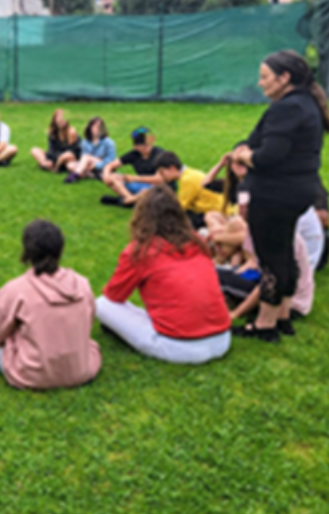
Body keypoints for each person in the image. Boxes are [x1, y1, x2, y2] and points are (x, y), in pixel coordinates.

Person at [229, 51, 329, 343]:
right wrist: (242, 150)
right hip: (297, 193)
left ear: (284, 78)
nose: (260, 83)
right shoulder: (303, 104)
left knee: (270, 259)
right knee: (284, 253)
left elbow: (267, 156)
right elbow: (254, 141)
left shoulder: (287, 108)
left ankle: (264, 325)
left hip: (275, 194)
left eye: (264, 77)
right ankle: (282, 315)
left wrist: (246, 156)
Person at [95, 186, 233, 365]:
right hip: (222, 339)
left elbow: (114, 295)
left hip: (179, 346)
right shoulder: (196, 242)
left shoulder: (141, 250)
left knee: (102, 304)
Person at [0, 221, 101, 391]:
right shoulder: (82, 284)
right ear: (60, 249)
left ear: (27, 252)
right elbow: (87, 324)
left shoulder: (15, 290)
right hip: (81, 370)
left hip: (31, 376)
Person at [150, 152, 230, 229]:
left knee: (175, 219)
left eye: (161, 172)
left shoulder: (187, 180)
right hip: (215, 209)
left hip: (217, 213)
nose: (161, 176)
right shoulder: (190, 173)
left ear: (172, 168)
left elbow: (179, 207)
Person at [101, 128, 167, 208]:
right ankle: (131, 200)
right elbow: (110, 165)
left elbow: (159, 179)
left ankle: (130, 201)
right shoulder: (134, 154)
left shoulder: (159, 154)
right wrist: (106, 174)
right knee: (113, 178)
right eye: (142, 144)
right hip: (140, 187)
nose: (145, 146)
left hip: (157, 188)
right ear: (135, 147)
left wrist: (134, 178)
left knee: (146, 192)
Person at [65, 117, 117, 184]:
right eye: (94, 126)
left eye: (99, 127)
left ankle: (75, 175)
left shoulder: (108, 142)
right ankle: (94, 175)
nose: (96, 129)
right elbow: (82, 157)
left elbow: (110, 159)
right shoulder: (85, 142)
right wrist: (89, 165)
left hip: (104, 165)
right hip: (89, 165)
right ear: (90, 128)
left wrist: (96, 165)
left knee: (86, 157)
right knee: (70, 165)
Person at [31, 109, 82, 173]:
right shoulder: (53, 132)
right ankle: (46, 164)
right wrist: (48, 161)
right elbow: (51, 150)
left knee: (67, 155)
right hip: (55, 156)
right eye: (59, 118)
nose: (61, 120)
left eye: (63, 118)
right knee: (34, 150)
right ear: (54, 120)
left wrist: (60, 159)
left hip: (70, 158)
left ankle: (56, 168)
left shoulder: (71, 132)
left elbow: (74, 152)